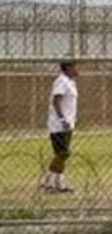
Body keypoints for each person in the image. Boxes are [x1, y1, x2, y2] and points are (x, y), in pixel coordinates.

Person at [42, 61, 79, 194]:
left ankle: (59, 183)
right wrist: (62, 119)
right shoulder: (61, 81)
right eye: (74, 67)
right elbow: (56, 100)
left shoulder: (70, 82)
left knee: (62, 154)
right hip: (58, 124)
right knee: (63, 153)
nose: (77, 69)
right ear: (68, 68)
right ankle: (49, 182)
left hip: (68, 124)